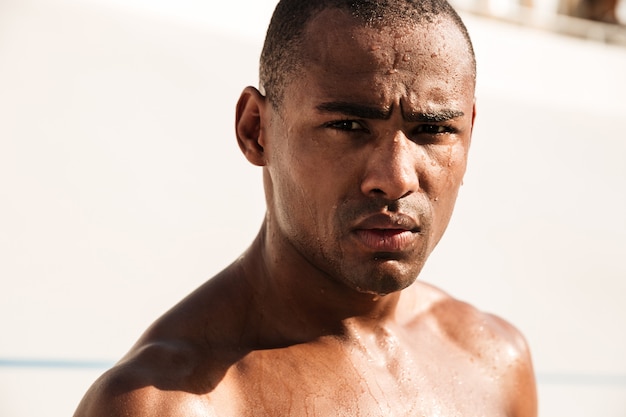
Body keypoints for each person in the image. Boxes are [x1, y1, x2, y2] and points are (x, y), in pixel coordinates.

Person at [74, 0, 538, 415]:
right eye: (350, 125)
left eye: (432, 131)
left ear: (470, 131)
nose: (395, 178)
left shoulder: (495, 361)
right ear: (256, 130)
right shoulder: (167, 403)